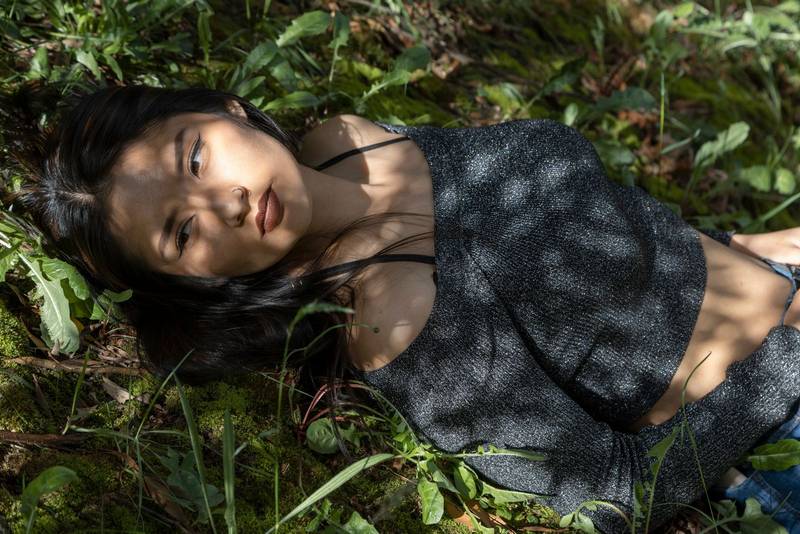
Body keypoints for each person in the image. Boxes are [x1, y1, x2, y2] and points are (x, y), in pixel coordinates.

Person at [7, 84, 800, 533]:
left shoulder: (348, 137)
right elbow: (613, 497)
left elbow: (601, 228)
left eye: (194, 155)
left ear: (229, 110)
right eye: (182, 231)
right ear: (195, 283)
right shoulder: (397, 326)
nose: (229, 199)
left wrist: (759, 245)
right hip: (780, 432)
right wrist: (787, 357)